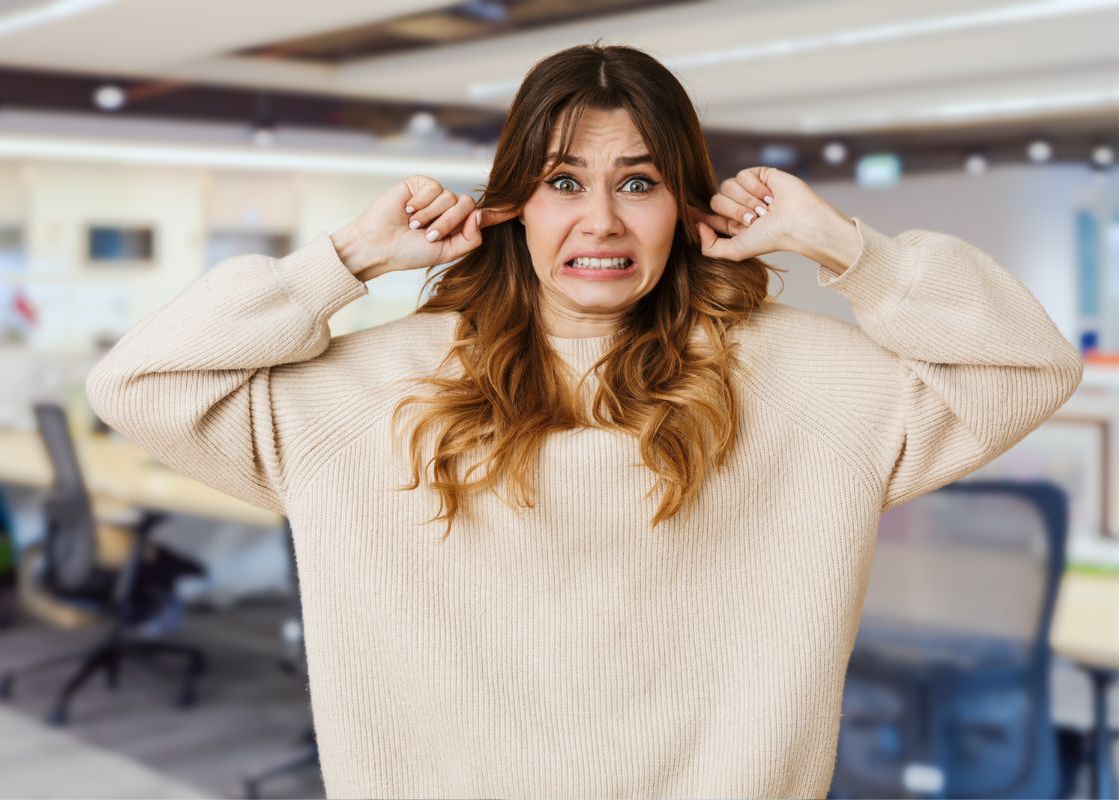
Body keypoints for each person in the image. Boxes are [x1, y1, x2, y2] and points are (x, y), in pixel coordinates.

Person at [85, 42, 1084, 799]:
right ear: (514, 200)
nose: (600, 220)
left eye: (637, 182)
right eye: (564, 181)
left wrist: (843, 244)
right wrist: (340, 261)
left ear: (685, 206)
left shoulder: (799, 378)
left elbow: (1025, 367)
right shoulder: (385, 383)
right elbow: (137, 386)